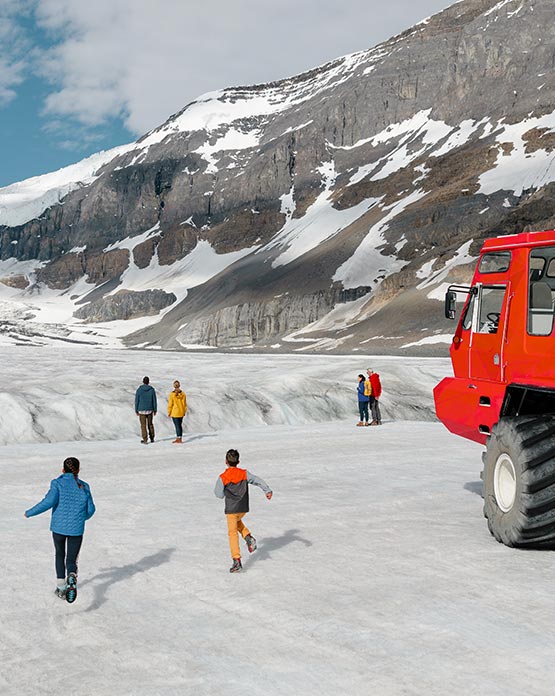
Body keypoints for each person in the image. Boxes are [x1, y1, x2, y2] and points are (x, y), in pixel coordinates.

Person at [24, 456, 95, 603]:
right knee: (71, 559)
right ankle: (72, 575)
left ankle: (61, 588)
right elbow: (91, 510)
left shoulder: (57, 483)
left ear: (63, 469)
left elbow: (48, 502)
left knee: (59, 555)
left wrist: (30, 512)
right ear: (78, 470)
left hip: (58, 528)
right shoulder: (84, 486)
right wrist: (80, 518)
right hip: (77, 530)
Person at [214, 448, 272, 573]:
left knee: (232, 533)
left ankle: (236, 560)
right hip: (243, 508)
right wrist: (267, 490)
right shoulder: (244, 474)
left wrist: (225, 490)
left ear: (226, 461)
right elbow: (257, 480)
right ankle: (248, 537)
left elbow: (218, 494)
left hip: (231, 509)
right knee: (237, 522)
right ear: (238, 461)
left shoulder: (223, 477)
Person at [135, 376, 157, 444]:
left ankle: (145, 439)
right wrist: (155, 409)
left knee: (143, 425)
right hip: (150, 409)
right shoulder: (152, 389)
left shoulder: (139, 390)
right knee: (150, 424)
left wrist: (136, 409)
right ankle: (152, 438)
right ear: (148, 382)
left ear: (143, 381)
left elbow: (137, 400)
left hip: (141, 409)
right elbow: (154, 400)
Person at [167, 379, 187, 444]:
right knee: (180, 425)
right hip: (181, 411)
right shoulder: (183, 394)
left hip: (175, 412)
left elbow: (170, 404)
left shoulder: (172, 394)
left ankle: (179, 438)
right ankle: (179, 437)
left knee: (177, 426)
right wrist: (184, 411)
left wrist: (169, 412)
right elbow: (184, 404)